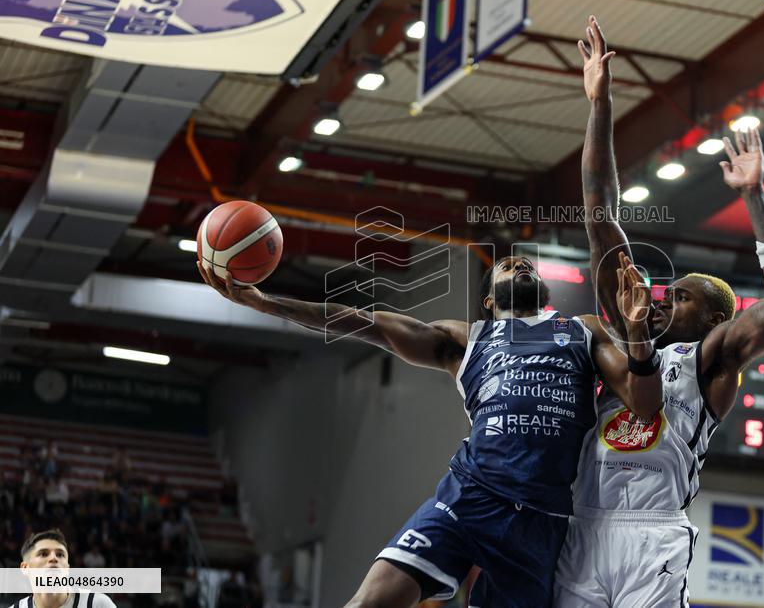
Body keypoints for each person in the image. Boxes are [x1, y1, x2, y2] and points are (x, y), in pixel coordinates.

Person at [198, 248, 665, 607]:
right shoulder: (465, 339)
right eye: (507, 266)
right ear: (489, 300)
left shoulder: (582, 330)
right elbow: (364, 324)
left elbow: (645, 406)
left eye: (526, 265)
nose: (520, 265)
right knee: (372, 600)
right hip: (471, 495)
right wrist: (266, 303)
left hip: (542, 519)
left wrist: (639, 333)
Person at [552, 16, 764, 607]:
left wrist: (755, 197)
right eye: (668, 293)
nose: (664, 300)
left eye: (682, 297)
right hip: (584, 524)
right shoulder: (626, 338)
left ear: (715, 319)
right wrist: (599, 105)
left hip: (653, 534)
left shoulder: (710, 357)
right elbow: (599, 210)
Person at [9, 530, 115, 608]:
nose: (54, 558)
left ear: (67, 568)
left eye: (60, 555)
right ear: (25, 568)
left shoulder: (98, 604)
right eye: (44, 554)